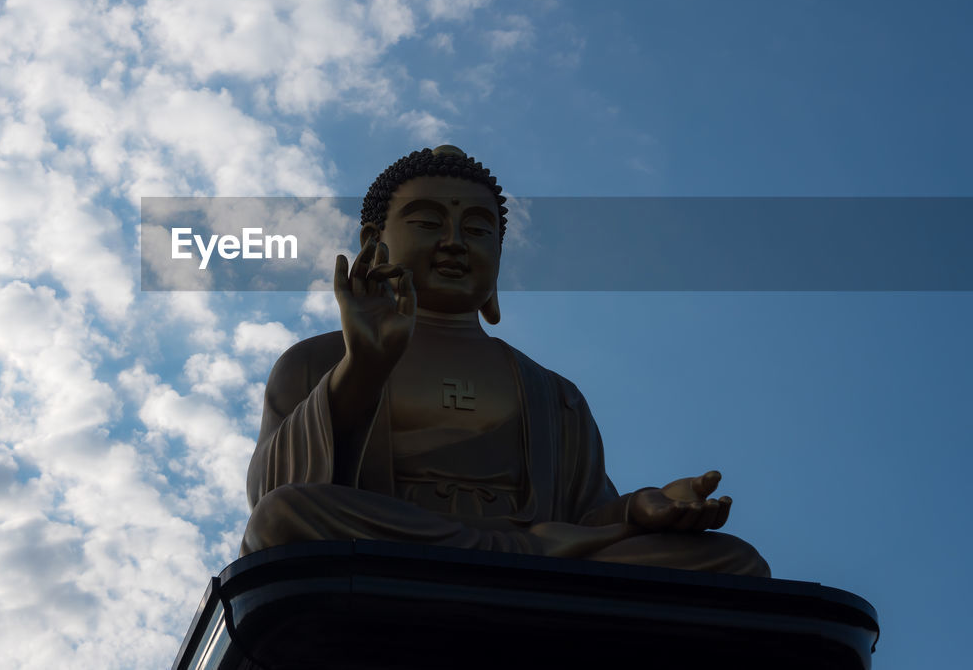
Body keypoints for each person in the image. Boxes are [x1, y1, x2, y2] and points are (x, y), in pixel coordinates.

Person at [240, 146, 769, 576]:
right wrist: (364, 368)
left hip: (541, 552)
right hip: (392, 541)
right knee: (285, 518)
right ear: (373, 244)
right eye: (428, 223)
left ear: (498, 256)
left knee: (734, 563)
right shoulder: (317, 361)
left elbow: (583, 515)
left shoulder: (551, 392)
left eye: (476, 229)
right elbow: (276, 495)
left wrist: (639, 511)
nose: (453, 243)